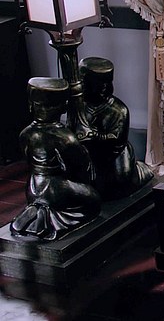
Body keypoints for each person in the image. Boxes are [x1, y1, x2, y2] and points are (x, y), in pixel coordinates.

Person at [13, 77, 101, 241]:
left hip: (33, 187)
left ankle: (39, 209)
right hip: (56, 188)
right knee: (94, 199)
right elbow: (78, 166)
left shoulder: (26, 134)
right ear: (63, 107)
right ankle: (49, 217)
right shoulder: (64, 137)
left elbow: (28, 161)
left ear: (31, 105)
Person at [76, 57, 154, 199]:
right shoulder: (81, 105)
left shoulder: (118, 110)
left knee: (120, 180)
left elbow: (117, 139)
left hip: (114, 153)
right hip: (90, 152)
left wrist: (94, 135)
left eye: (86, 85)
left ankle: (140, 171)